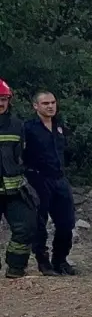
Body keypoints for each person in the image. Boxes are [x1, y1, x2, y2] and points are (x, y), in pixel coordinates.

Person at [24, 90, 78, 276]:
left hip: (59, 179)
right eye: (45, 103)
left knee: (67, 221)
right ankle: (43, 262)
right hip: (38, 179)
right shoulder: (28, 128)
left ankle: (60, 260)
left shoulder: (60, 126)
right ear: (35, 106)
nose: (50, 106)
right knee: (39, 222)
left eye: (53, 102)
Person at [0, 78, 37, 279]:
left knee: (26, 227)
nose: (0, 103)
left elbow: (26, 155)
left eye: (3, 99)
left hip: (15, 190)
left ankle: (15, 268)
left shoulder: (17, 125)